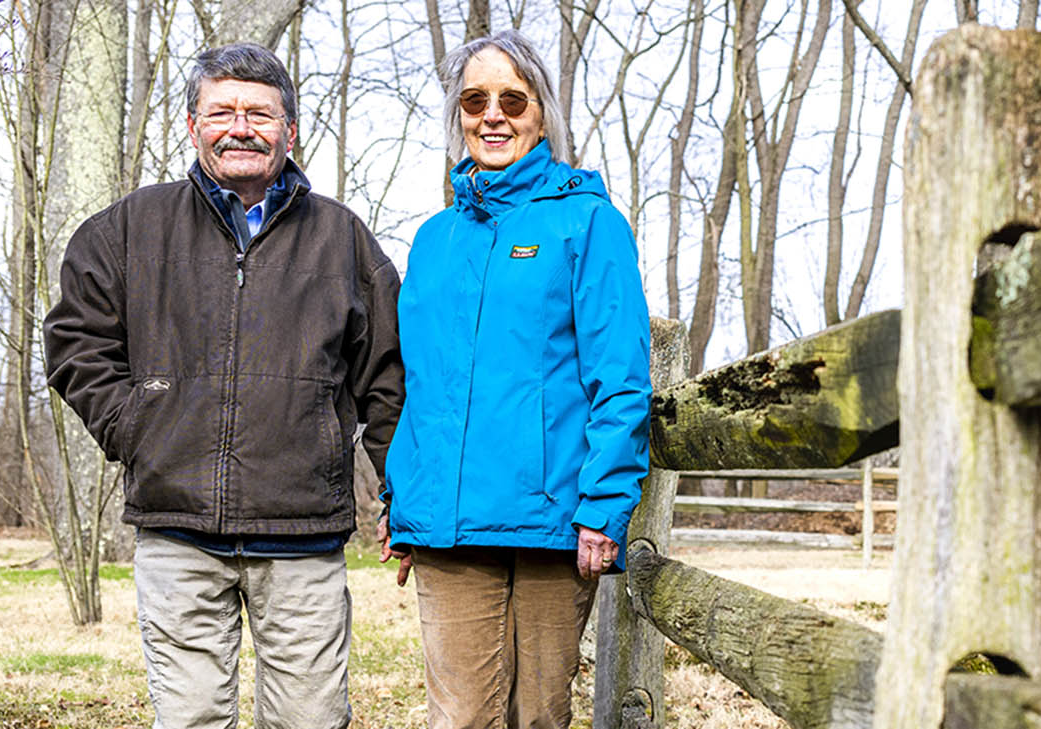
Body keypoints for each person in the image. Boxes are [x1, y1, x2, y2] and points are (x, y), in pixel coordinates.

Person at [44, 42, 403, 729]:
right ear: (191, 124)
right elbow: (74, 342)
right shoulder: (128, 229)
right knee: (191, 721)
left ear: (289, 131)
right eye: (222, 112)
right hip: (177, 530)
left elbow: (386, 376)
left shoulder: (343, 240)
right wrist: (138, 425)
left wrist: (398, 490)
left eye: (260, 114)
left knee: (311, 719)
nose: (241, 127)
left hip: (301, 531)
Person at [377, 29, 651, 729]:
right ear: (457, 114)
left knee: (539, 717)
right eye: (475, 99)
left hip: (553, 525)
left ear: (541, 113)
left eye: (511, 98)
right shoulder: (434, 240)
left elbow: (620, 379)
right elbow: (419, 385)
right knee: (459, 718)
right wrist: (405, 500)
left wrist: (603, 505)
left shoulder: (588, 223)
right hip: (447, 536)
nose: (492, 114)